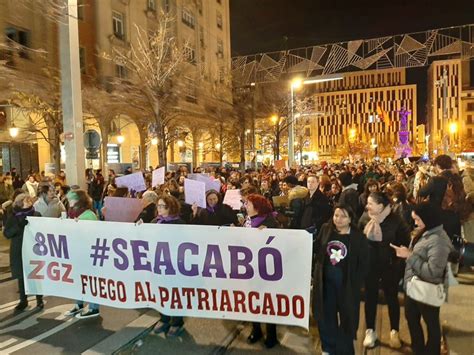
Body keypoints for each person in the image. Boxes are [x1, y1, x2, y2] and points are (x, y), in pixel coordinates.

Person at [391, 202, 454, 355]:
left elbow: (433, 272)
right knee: (412, 318)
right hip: (413, 286)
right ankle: (418, 349)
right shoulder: (426, 231)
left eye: (418, 219)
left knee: (431, 325)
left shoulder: (438, 240)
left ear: (429, 218)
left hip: (428, 290)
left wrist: (409, 256)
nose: (415, 223)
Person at [313, 204, 369, 355]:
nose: (338, 219)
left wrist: (356, 281)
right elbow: (316, 248)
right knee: (326, 316)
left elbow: (365, 262)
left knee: (347, 318)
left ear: (351, 218)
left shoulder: (358, 237)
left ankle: (345, 350)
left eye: (343, 216)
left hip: (346, 286)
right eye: (336, 215)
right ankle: (328, 348)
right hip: (326, 284)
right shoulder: (326, 229)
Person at [359, 191, 410, 349]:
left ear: (381, 206)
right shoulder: (365, 218)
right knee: (370, 298)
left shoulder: (396, 221)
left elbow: (405, 241)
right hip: (370, 267)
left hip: (390, 267)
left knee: (392, 299)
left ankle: (394, 330)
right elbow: (359, 237)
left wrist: (394, 259)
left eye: (370, 203)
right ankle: (370, 331)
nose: (367, 206)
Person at [244, 193, 280, 348]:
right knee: (253, 300)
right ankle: (256, 329)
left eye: (248, 204)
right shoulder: (248, 221)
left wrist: (268, 235)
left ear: (257, 208)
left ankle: (271, 334)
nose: (245, 206)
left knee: (268, 301)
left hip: (266, 270)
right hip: (250, 267)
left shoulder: (270, 222)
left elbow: (280, 243)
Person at [151, 195, 186, 337]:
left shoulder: (179, 223)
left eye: (162, 206)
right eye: (158, 206)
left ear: (170, 207)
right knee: (160, 291)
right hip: (158, 264)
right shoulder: (154, 222)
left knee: (175, 293)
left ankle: (177, 321)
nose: (159, 209)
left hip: (174, 265)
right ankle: (164, 317)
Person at [3, 193, 43, 311]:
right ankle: (23, 300)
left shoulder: (36, 214)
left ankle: (39, 299)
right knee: (21, 276)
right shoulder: (14, 217)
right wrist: (19, 226)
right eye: (26, 200)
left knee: (35, 275)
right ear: (20, 203)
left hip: (33, 249)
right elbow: (7, 233)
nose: (30, 202)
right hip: (18, 250)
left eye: (30, 200)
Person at [64, 190, 100, 319]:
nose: (69, 201)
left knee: (89, 280)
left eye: (71, 199)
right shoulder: (72, 213)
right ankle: (78, 304)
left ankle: (93, 307)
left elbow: (93, 234)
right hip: (76, 252)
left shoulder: (89, 215)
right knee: (78, 279)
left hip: (87, 253)